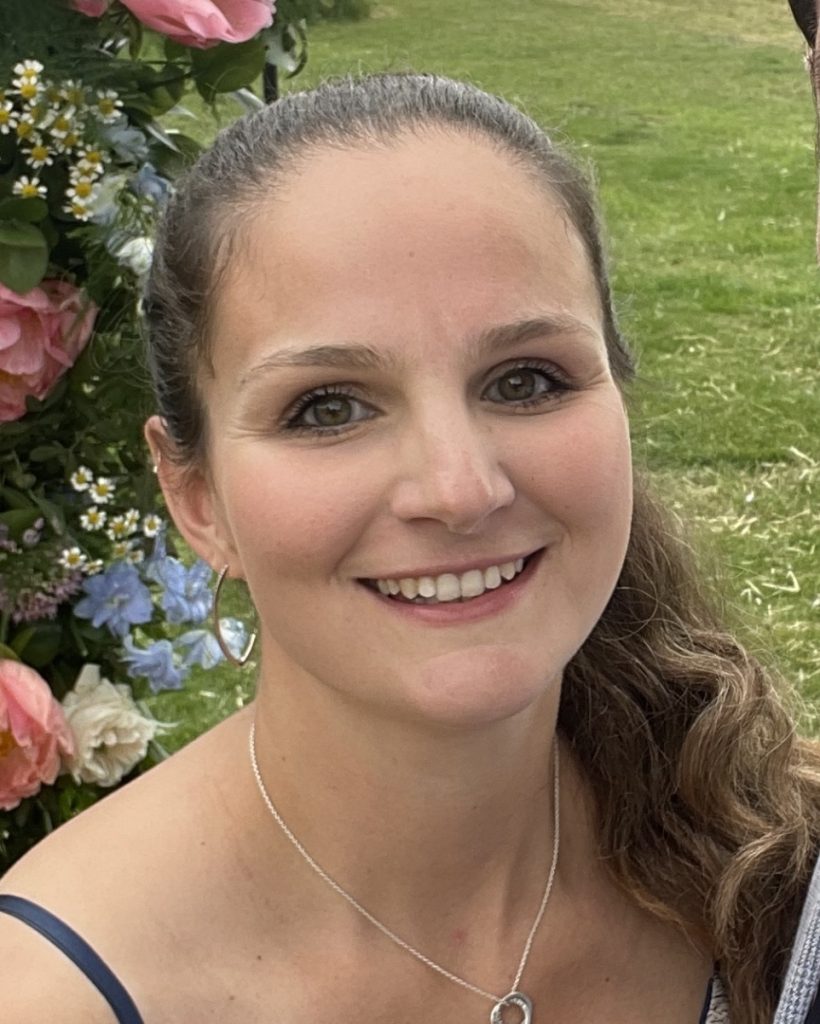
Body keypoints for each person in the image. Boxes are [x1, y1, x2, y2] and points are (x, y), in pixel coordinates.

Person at [1, 72, 819, 1024]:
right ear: (196, 495)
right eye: (328, 407)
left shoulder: (774, 870)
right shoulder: (59, 996)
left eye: (525, 381)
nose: (461, 490)